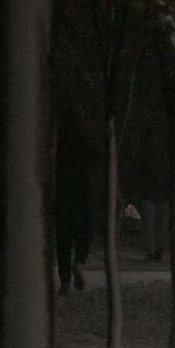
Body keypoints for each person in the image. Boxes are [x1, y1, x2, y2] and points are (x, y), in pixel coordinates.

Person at [56, 115, 96, 294]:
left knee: (63, 240)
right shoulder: (84, 145)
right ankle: (79, 263)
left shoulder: (60, 147)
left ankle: (65, 280)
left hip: (63, 196)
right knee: (84, 233)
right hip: (82, 195)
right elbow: (97, 160)